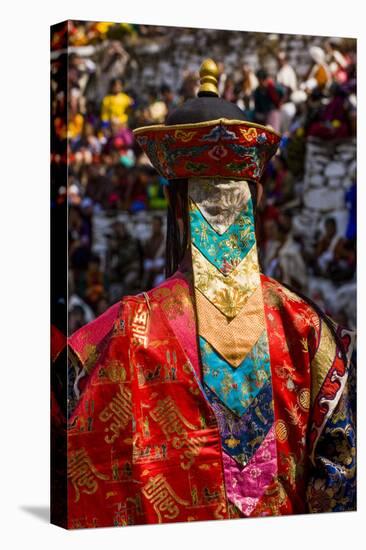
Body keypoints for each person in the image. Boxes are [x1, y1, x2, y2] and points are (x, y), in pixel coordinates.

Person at [53, 59, 356, 529]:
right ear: (254, 198)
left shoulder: (116, 337)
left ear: (176, 206)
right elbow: (343, 486)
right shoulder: (309, 333)